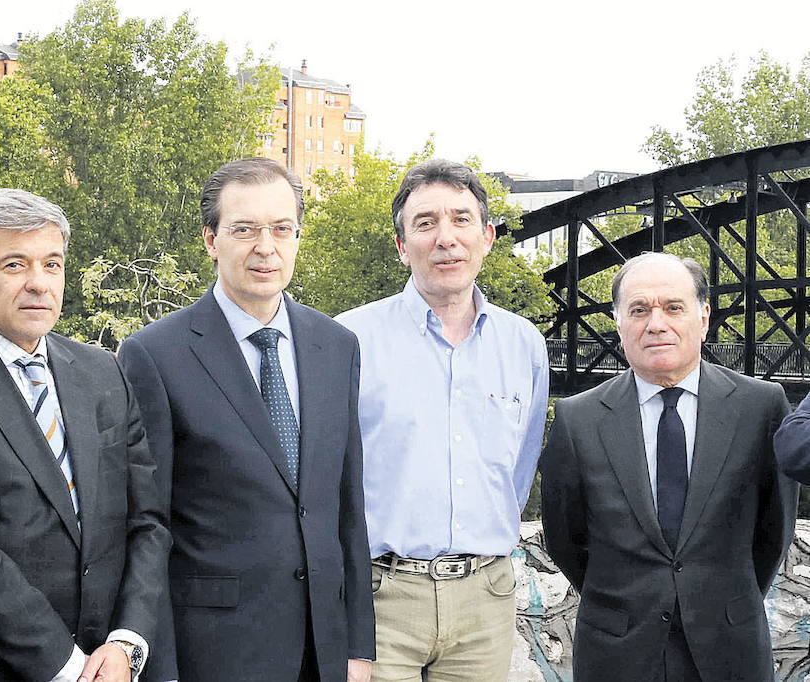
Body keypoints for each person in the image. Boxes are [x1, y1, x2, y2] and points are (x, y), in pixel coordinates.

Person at [0, 188, 170, 682]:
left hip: (109, 662)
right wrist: (68, 666)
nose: (39, 284)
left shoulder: (104, 371)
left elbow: (146, 521)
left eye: (52, 265)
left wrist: (126, 641)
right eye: (15, 265)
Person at [118, 157, 374, 682]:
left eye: (282, 229)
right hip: (213, 650)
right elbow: (147, 522)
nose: (266, 246)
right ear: (211, 240)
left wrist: (358, 646)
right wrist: (159, 666)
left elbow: (347, 505)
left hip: (323, 649)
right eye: (245, 230)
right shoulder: (154, 355)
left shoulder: (337, 345)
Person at [334, 158, 548, 681]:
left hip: (486, 598)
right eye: (426, 223)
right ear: (403, 246)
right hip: (379, 598)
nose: (446, 238)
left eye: (461, 219)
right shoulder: (347, 340)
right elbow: (325, 478)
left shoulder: (524, 345)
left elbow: (519, 471)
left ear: (488, 235)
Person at [542, 252, 796, 681]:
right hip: (618, 651)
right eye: (638, 310)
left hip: (730, 646)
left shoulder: (761, 407)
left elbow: (773, 532)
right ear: (618, 322)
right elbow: (566, 538)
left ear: (704, 316)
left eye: (673, 307)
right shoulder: (577, 418)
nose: (656, 323)